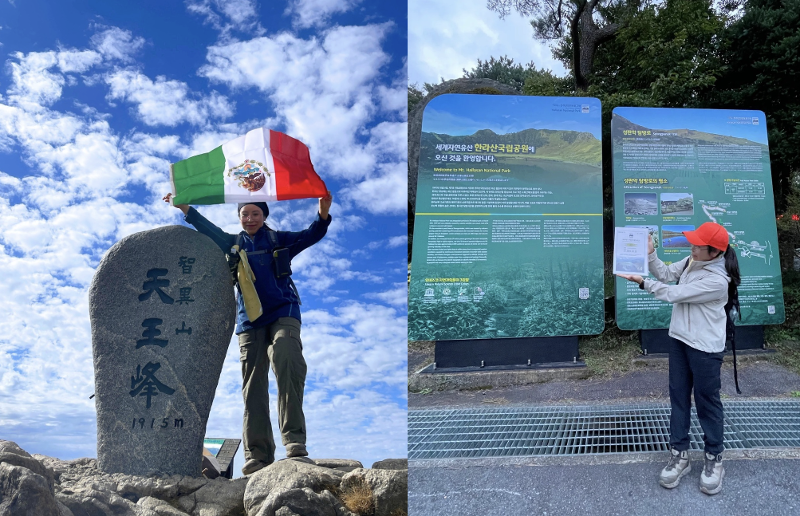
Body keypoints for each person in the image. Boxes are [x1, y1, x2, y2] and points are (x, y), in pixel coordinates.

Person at [164, 191, 333, 476]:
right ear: (239, 217)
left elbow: (311, 234)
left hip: (284, 313)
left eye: (256, 213)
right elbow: (207, 228)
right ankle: (257, 454)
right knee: (252, 386)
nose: (250, 218)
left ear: (264, 216)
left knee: (286, 357)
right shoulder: (233, 244)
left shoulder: (279, 240)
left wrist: (323, 212)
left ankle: (294, 441)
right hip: (249, 321)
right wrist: (184, 207)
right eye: (245, 214)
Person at [617, 221, 740, 495]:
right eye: (693, 242)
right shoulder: (691, 261)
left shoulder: (717, 281)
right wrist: (649, 253)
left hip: (705, 348)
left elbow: (674, 294)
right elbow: (664, 273)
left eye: (698, 245)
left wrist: (641, 282)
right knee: (678, 397)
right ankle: (679, 453)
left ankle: (713, 458)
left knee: (707, 401)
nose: (692, 247)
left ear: (715, 252)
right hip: (680, 340)